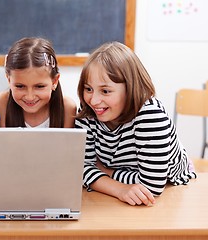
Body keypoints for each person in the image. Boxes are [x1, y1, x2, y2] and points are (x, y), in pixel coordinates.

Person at [75, 41, 196, 206]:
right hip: (125, 190)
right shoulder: (88, 109)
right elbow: (79, 168)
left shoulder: (150, 115)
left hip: (173, 186)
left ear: (131, 88)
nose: (94, 100)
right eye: (88, 89)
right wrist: (119, 189)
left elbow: (151, 186)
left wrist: (104, 171)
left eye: (105, 91)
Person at [0, 37, 76, 128]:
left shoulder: (67, 108)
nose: (30, 97)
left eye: (39, 86)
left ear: (54, 81)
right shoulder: (2, 104)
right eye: (20, 86)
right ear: (8, 80)